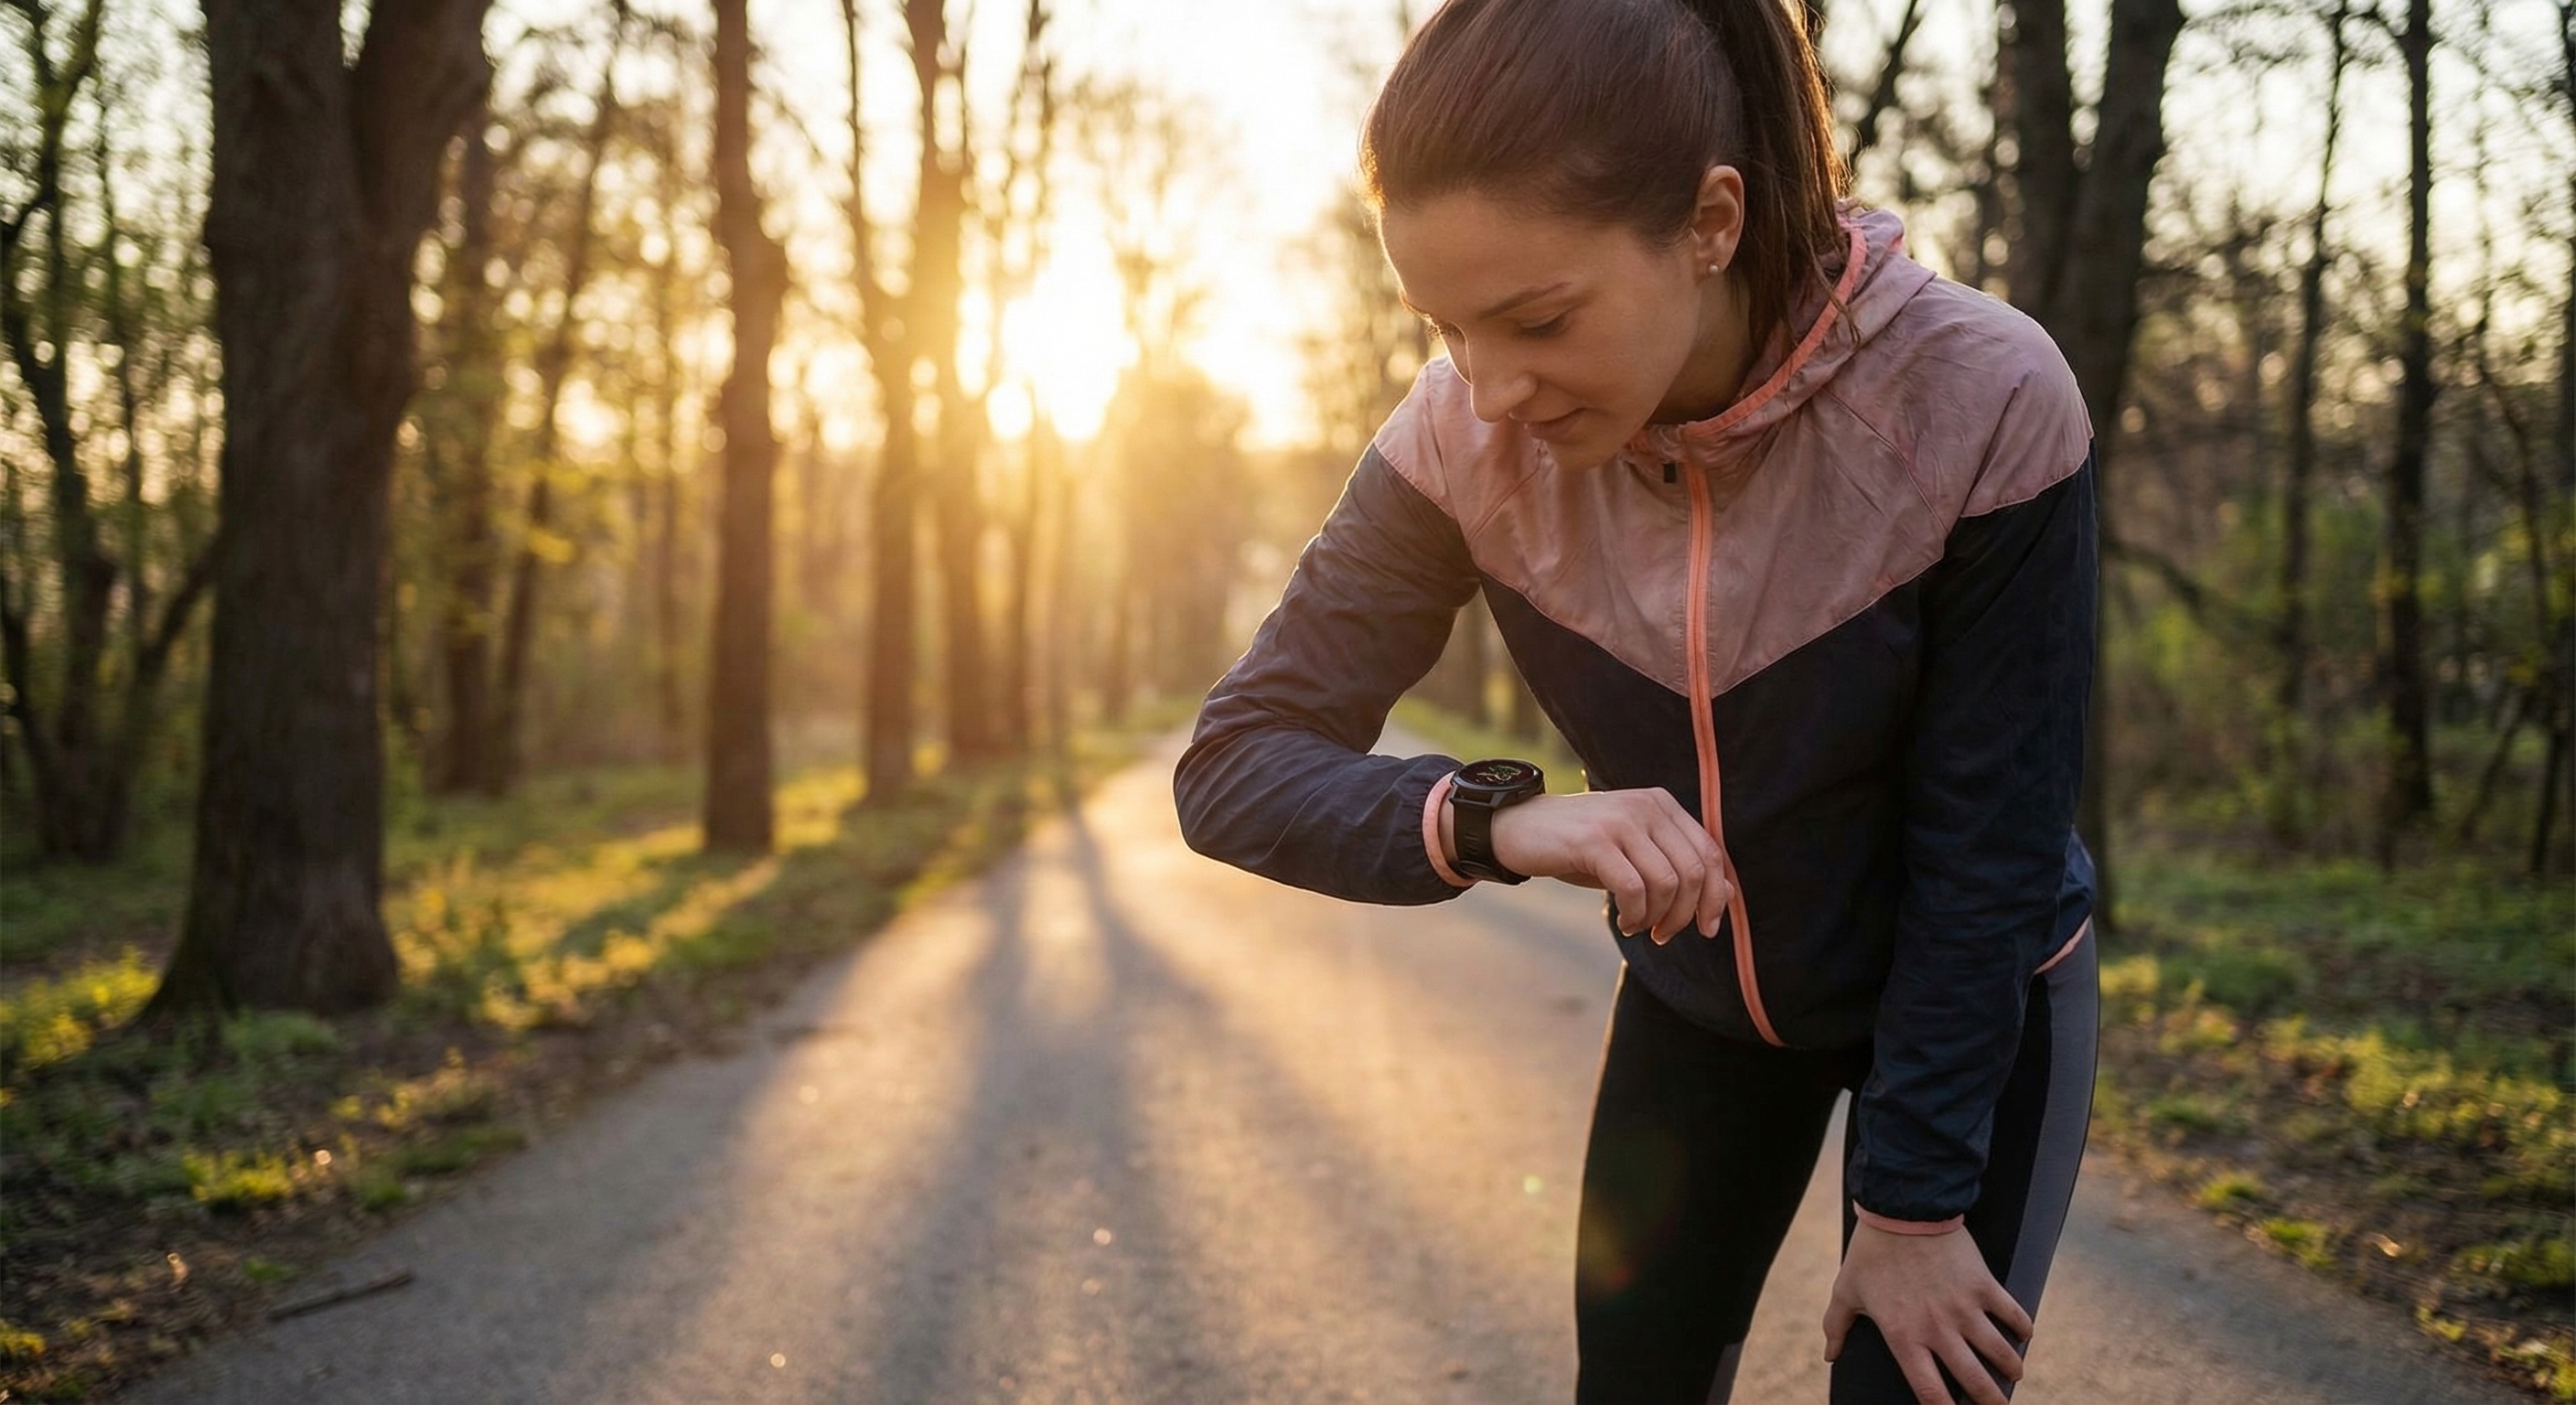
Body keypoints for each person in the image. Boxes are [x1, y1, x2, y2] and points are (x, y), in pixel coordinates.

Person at [1172, 0, 2100, 1400]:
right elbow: (1235, 763)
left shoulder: (1982, 398)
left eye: (1537, 319)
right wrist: (1501, 823)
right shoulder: (1457, 441)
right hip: (1703, 1010)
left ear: (1711, 221)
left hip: (1974, 1009)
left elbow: (1989, 852)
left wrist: (1911, 1211)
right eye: (1446, 329)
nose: (1488, 390)